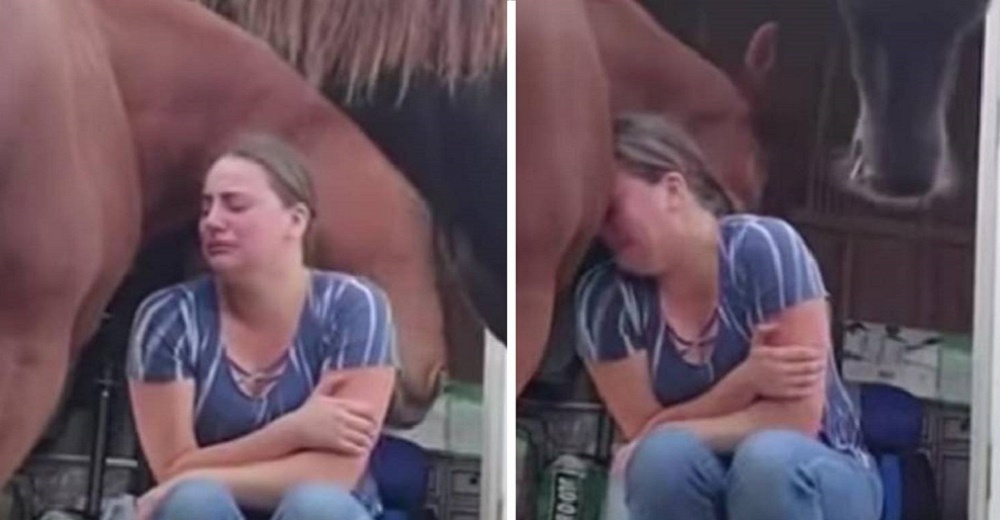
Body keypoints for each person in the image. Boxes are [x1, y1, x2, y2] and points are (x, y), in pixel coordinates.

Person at [574, 112, 883, 520]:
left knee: (765, 462)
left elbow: (798, 419)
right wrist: (745, 382)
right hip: (706, 476)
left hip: (822, 470)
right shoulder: (606, 301)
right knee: (662, 462)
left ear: (672, 189)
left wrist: (675, 426)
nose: (603, 229)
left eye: (612, 208)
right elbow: (645, 441)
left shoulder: (765, 250)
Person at [126, 133, 396, 520]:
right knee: (194, 502)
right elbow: (172, 471)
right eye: (206, 208)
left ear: (296, 220)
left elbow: (336, 474)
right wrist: (294, 431)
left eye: (235, 205)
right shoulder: (169, 318)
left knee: (317, 506)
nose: (213, 222)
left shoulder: (353, 307)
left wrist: (199, 471)